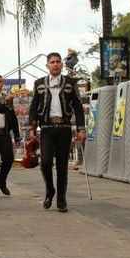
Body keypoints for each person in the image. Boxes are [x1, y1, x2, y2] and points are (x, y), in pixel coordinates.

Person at [28, 52, 86, 213]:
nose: (55, 64)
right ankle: (50, 190)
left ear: (61, 65)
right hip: (46, 128)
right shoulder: (39, 83)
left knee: (62, 165)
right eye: (52, 62)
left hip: (64, 128)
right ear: (47, 65)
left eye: (58, 62)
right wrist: (31, 128)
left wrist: (81, 129)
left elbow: (78, 107)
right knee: (45, 162)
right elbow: (33, 107)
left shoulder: (70, 82)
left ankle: (61, 199)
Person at [0, 74, 20, 199]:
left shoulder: (7, 98)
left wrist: (17, 136)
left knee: (8, 160)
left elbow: (13, 118)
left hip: (5, 133)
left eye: (0, 81)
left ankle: (1, 181)